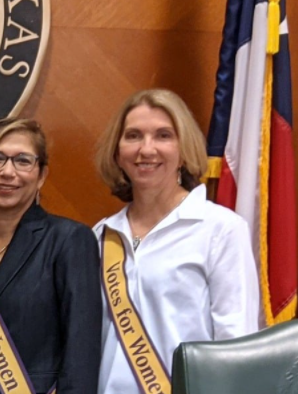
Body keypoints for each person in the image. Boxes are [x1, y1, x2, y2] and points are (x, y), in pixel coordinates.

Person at [94, 88, 259, 394]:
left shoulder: (220, 230)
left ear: (184, 151)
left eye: (163, 136)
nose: (146, 149)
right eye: (133, 136)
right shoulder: (101, 236)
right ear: (117, 152)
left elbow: (237, 347)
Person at [0, 118, 102, 394]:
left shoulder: (69, 240)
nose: (7, 172)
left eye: (22, 161)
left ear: (41, 175)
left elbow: (82, 351)